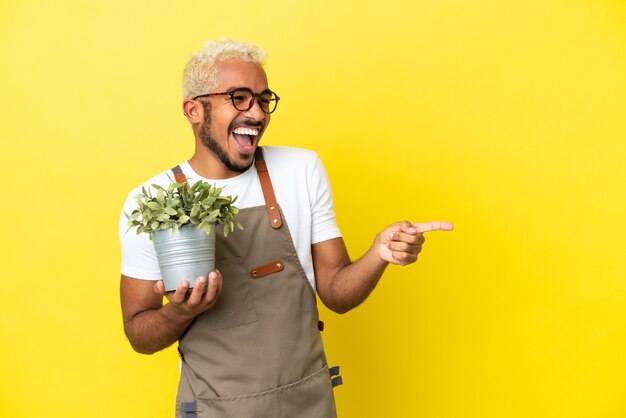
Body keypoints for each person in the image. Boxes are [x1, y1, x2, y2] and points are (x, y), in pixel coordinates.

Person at [119, 39, 453, 418]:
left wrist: (378, 253)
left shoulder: (301, 170)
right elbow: (138, 334)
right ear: (194, 110)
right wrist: (178, 313)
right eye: (239, 97)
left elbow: (337, 294)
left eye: (264, 100)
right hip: (215, 409)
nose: (257, 113)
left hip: (308, 404)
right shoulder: (152, 201)